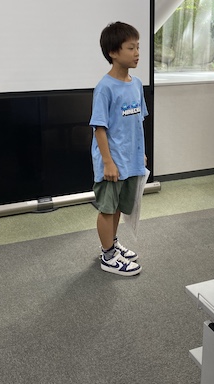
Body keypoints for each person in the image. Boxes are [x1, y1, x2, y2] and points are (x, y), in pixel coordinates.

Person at [90, 22, 148, 276]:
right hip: (112, 162)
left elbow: (137, 122)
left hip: (131, 160)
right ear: (114, 52)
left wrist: (140, 154)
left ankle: (111, 244)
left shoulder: (136, 84)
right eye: (130, 47)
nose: (137, 53)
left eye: (138, 47)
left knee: (120, 207)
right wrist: (108, 162)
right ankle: (108, 256)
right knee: (107, 208)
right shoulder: (105, 88)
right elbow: (99, 128)